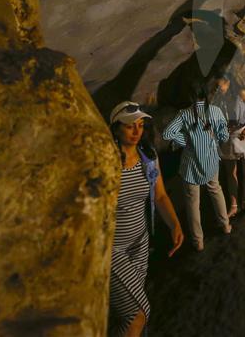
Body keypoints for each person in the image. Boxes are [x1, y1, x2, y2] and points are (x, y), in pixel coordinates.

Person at [108, 101, 184, 337]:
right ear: (116, 128)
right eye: (130, 126)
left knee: (129, 313)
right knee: (138, 313)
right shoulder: (107, 161)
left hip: (139, 245)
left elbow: (160, 196)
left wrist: (174, 224)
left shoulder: (148, 157)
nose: (136, 131)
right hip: (112, 249)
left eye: (141, 125)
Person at [162, 80, 231, 251]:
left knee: (193, 203)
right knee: (216, 190)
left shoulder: (184, 114)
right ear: (205, 94)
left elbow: (166, 134)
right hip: (211, 161)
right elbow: (224, 135)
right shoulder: (215, 111)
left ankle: (198, 241)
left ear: (189, 96)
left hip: (191, 166)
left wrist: (186, 141)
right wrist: (213, 140)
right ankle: (225, 225)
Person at [215, 74, 245, 216]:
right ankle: (234, 205)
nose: (219, 88)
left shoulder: (241, 93)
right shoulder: (218, 97)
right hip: (228, 135)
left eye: (220, 85)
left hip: (242, 133)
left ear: (228, 82)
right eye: (217, 86)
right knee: (231, 172)